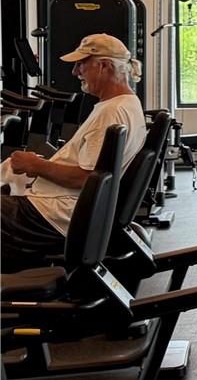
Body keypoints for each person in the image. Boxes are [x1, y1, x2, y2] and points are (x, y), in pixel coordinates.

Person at [0, 35, 147, 274]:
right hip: (63, 208)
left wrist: (35, 165)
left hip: (54, 213)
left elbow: (85, 178)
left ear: (104, 66)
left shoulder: (111, 113)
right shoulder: (126, 104)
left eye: (81, 64)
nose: (75, 72)